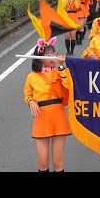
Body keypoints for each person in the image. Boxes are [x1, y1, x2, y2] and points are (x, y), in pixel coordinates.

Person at [23, 37, 71, 172]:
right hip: (41, 117)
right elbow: (27, 94)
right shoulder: (31, 77)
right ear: (39, 58)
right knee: (43, 163)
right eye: (49, 55)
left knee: (58, 162)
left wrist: (62, 66)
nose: (53, 57)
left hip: (58, 116)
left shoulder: (60, 72)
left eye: (54, 54)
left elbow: (68, 85)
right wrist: (31, 101)